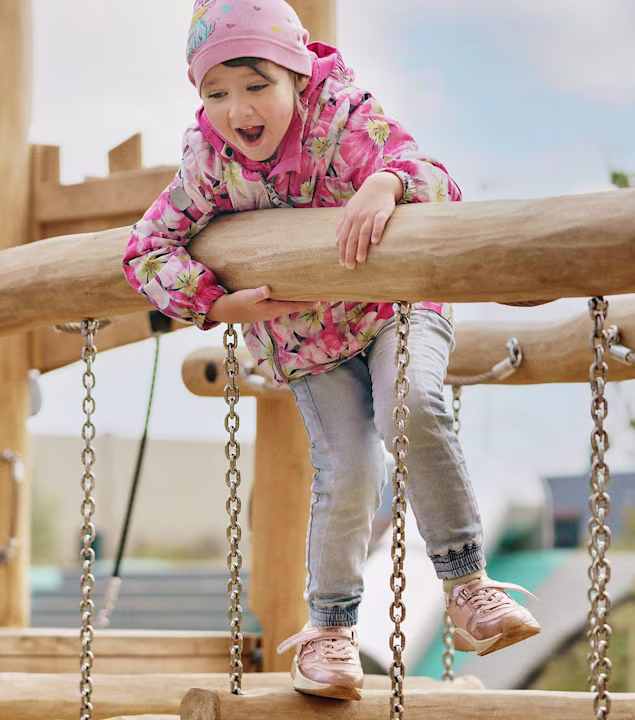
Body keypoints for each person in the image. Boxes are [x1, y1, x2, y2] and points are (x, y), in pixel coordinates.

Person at [123, 0, 541, 701]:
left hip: (393, 311)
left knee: (412, 402)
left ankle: (469, 589)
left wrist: (386, 182)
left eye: (257, 85)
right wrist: (215, 304)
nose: (238, 109)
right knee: (346, 467)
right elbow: (145, 250)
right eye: (216, 92)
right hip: (307, 341)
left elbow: (435, 175)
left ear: (295, 76)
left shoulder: (344, 123)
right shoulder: (207, 164)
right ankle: (332, 633)